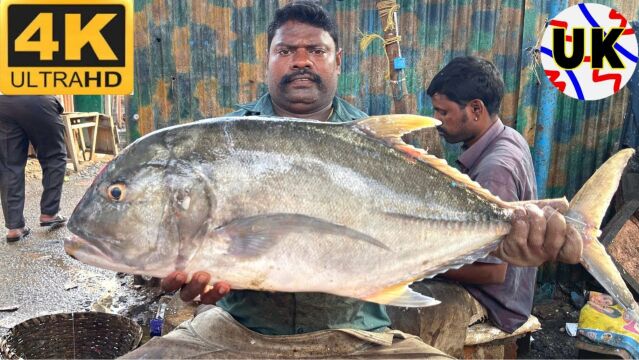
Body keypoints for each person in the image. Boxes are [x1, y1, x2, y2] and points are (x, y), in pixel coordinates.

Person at [124, 2, 582, 358]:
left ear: (337, 60)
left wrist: (499, 236)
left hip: (360, 335)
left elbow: (439, 233)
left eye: (316, 51)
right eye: (286, 51)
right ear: (266, 61)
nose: (301, 61)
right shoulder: (222, 142)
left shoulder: (382, 145)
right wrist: (195, 276)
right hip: (239, 330)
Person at [425, 57, 537, 348]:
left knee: (397, 306)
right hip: (502, 288)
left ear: (475, 109)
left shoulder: (495, 170)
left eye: (443, 112)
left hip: (497, 302)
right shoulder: (506, 136)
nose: (437, 120)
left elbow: (492, 271)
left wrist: (420, 264)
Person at [0, 96, 68, 243]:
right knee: (54, 156)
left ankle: (14, 228)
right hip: (38, 97)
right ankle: (49, 213)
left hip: (3, 101)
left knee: (9, 166)